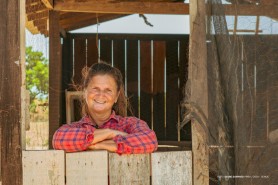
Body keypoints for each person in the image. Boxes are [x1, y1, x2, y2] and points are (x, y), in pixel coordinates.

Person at [52, 61, 158, 154]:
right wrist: (110, 133)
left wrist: (99, 145)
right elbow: (58, 139)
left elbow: (150, 140)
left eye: (108, 90)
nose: (101, 94)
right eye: (95, 89)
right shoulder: (74, 128)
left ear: (116, 96)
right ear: (85, 92)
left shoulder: (130, 124)